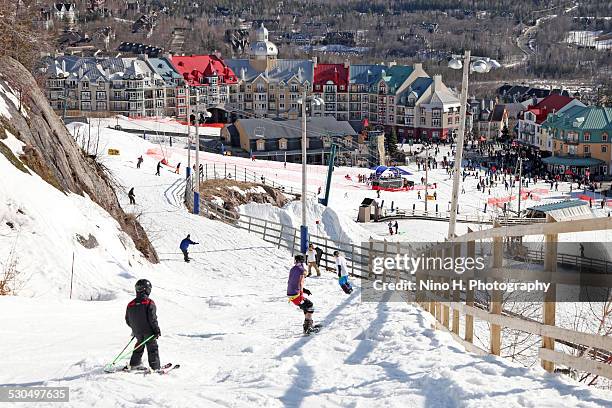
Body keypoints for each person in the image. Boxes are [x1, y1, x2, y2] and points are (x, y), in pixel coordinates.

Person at [125, 279, 161, 371]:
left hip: (137, 332)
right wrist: (156, 330)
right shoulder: (149, 302)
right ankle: (155, 367)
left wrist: (135, 329)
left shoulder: (130, 304)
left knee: (139, 346)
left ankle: (134, 364)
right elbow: (152, 318)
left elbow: (128, 320)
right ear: (146, 289)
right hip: (149, 332)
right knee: (152, 348)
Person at [287, 254, 317, 334]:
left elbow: (292, 281)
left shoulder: (292, 269)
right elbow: (300, 282)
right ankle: (308, 329)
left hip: (291, 293)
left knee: (306, 307)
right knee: (310, 306)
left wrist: (304, 290)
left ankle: (307, 326)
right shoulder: (302, 270)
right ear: (302, 261)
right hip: (296, 295)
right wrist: (301, 293)